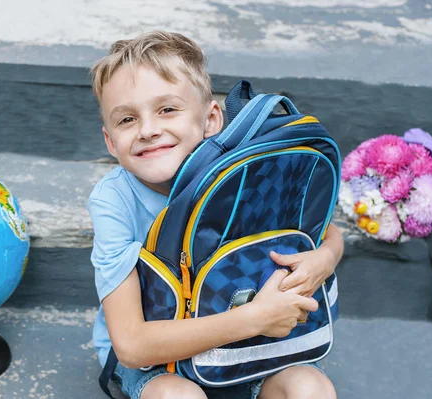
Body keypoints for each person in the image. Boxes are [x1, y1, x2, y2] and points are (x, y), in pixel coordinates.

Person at [87, 30, 343, 399]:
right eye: (126, 120)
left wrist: (324, 258)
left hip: (254, 351)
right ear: (111, 142)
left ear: (210, 120)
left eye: (167, 109)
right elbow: (131, 345)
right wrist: (253, 318)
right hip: (163, 362)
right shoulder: (115, 200)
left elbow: (328, 232)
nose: (148, 130)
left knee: (310, 388)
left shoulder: (240, 172)